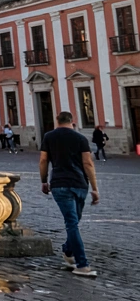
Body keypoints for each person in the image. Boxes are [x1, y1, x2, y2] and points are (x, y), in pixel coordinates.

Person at [40, 111, 101, 277]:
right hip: (80, 184)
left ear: (57, 120)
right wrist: (95, 188)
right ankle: (82, 264)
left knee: (73, 222)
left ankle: (68, 251)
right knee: (73, 221)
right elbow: (88, 163)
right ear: (72, 121)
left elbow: (43, 160)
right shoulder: (80, 138)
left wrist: (44, 180)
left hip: (60, 184)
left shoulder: (49, 137)